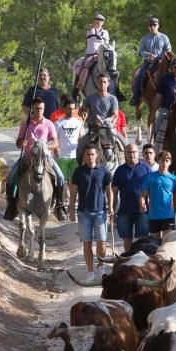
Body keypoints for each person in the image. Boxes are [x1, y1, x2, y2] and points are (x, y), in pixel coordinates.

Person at [6, 97, 67, 220]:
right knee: (11, 177)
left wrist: (46, 146)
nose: (39, 111)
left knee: (60, 177)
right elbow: (18, 142)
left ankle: (59, 206)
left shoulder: (49, 124)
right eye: (37, 108)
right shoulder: (26, 124)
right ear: (32, 109)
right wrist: (21, 142)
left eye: (41, 108)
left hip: (45, 157)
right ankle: (12, 205)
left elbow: (55, 142)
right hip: (28, 157)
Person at [69, 144, 113, 284]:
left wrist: (111, 207)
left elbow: (109, 190)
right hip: (84, 212)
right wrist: (71, 210)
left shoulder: (104, 171)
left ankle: (100, 266)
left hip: (100, 211)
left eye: (92, 154)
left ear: (97, 155)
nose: (90, 157)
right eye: (87, 154)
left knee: (102, 241)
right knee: (87, 243)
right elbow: (73, 193)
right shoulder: (78, 172)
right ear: (84, 156)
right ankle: (90, 271)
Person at [112, 144, 151, 252]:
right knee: (127, 239)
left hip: (142, 211)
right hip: (124, 210)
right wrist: (112, 210)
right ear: (125, 154)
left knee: (142, 238)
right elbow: (114, 193)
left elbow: (152, 189)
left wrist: (152, 207)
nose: (132, 154)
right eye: (129, 152)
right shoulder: (119, 170)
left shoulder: (146, 168)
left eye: (134, 152)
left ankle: (140, 262)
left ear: (138, 153)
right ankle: (128, 260)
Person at [77, 73, 120, 161]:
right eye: (100, 82)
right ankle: (80, 165)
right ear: (97, 83)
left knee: (125, 144)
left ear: (108, 83)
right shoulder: (90, 98)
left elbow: (115, 114)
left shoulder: (113, 99)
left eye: (104, 82)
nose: (102, 84)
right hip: (94, 129)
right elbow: (81, 111)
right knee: (80, 147)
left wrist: (108, 120)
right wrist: (83, 113)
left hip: (109, 129)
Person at [130, 17, 172, 106]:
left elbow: (168, 50)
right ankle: (136, 97)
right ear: (148, 27)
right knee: (139, 75)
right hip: (148, 62)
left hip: (162, 62)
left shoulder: (164, 37)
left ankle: (174, 96)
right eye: (150, 25)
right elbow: (141, 51)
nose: (152, 27)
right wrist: (148, 55)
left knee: (173, 74)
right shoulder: (144, 39)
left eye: (154, 25)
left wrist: (162, 56)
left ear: (158, 26)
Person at [140, 150, 176, 238]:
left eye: (167, 161)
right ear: (158, 161)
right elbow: (143, 195)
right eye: (162, 160)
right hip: (154, 215)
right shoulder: (150, 177)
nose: (164, 163)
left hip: (168, 215)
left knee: (167, 242)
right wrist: (142, 203)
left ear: (170, 162)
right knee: (155, 243)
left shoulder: (173, 178)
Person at [72, 14, 110, 98]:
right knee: (82, 68)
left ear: (103, 22)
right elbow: (88, 28)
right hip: (90, 55)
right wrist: (92, 25)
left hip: (101, 55)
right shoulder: (91, 29)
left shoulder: (105, 32)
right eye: (97, 19)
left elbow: (107, 44)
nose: (99, 21)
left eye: (101, 20)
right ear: (94, 21)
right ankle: (77, 90)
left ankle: (115, 89)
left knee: (112, 68)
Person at [54, 97, 85, 188]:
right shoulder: (58, 123)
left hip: (75, 157)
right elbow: (54, 139)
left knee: (74, 183)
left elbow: (82, 139)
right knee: (63, 183)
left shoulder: (79, 123)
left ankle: (72, 201)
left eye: (73, 109)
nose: (71, 111)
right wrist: (56, 151)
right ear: (64, 108)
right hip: (62, 157)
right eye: (69, 109)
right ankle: (63, 200)